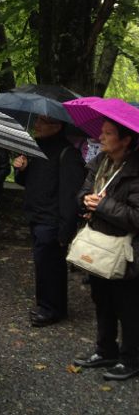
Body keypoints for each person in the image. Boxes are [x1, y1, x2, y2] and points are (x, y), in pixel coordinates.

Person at [73, 118, 139, 381]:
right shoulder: (100, 163)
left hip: (126, 252)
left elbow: (136, 216)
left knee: (128, 306)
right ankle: (105, 350)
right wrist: (85, 201)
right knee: (102, 300)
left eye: (108, 133)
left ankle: (131, 358)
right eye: (102, 131)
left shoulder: (135, 171)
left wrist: (101, 206)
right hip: (99, 246)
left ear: (126, 140)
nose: (101, 136)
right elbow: (82, 193)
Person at [13, 115, 85, 326]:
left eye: (42, 122)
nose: (37, 125)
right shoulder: (35, 149)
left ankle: (52, 308)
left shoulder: (67, 153)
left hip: (52, 220)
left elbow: (70, 195)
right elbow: (25, 182)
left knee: (51, 265)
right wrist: (21, 169)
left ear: (57, 126)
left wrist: (66, 230)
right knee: (43, 264)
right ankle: (47, 305)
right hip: (36, 215)